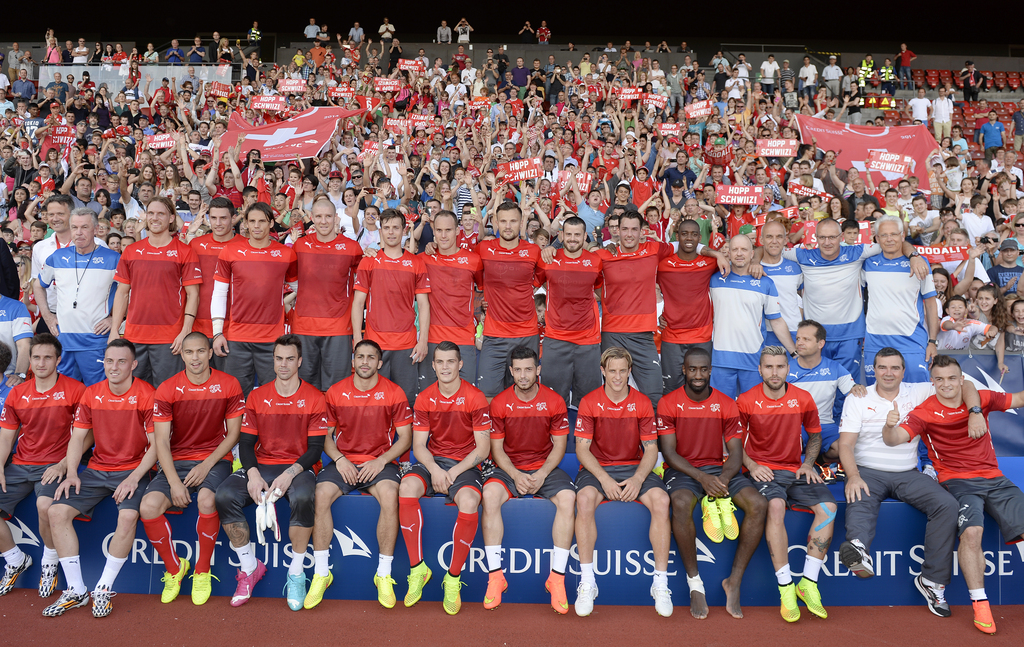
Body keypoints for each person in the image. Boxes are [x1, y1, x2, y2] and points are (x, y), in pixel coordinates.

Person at [885, 354, 1024, 635]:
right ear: (932, 381)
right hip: (957, 481)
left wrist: (975, 412)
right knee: (972, 533)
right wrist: (889, 426)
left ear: (962, 379)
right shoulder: (925, 411)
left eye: (952, 378)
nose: (946, 384)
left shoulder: (979, 399)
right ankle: (980, 603)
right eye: (939, 379)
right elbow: (894, 440)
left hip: (995, 478)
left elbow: (1018, 399)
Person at [839, 348, 982, 618]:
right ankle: (858, 548)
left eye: (895, 368)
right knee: (859, 495)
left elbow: (968, 384)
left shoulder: (919, 392)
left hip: (907, 472)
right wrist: (853, 475)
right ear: (874, 370)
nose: (888, 373)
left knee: (946, 505)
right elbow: (846, 444)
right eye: (882, 367)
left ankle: (932, 581)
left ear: (904, 371)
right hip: (868, 470)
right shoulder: (858, 397)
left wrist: (975, 411)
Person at [213, 334, 328, 610]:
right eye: (279, 358)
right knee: (225, 495)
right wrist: (252, 473)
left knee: (302, 498)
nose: (284, 364)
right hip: (262, 465)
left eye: (290, 359)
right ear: (272, 360)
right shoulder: (256, 396)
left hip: (299, 466)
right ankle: (250, 567)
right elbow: (246, 442)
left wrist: (290, 473)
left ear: (300, 361)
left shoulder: (314, 398)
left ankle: (297, 573)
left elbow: (315, 449)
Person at [44, 339, 156, 618]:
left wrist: (133, 478)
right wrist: (71, 473)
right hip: (96, 470)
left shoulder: (146, 394)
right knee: (55, 511)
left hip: (134, 470)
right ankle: (77, 590)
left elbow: (157, 446)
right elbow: (78, 438)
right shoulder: (92, 393)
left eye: (121, 361)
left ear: (134, 365)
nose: (114, 367)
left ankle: (103, 589)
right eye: (109, 361)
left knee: (129, 517)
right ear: (103, 363)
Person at [657, 347, 767, 619]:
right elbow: (669, 453)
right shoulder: (668, 403)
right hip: (684, 471)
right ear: (683, 370)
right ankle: (695, 584)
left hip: (719, 469)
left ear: (710, 370)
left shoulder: (726, 404)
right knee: (681, 503)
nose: (698, 375)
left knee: (758, 504)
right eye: (692, 369)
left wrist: (722, 479)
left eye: (703, 369)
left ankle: (735, 581)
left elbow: (736, 452)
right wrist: (703, 479)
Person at [306, 339, 412, 610]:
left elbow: (405, 438)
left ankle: (384, 574)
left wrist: (382, 460)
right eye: (360, 357)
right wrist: (339, 459)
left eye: (371, 357)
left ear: (380, 362)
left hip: (380, 462)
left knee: (390, 496)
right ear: (353, 361)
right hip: (345, 463)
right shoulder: (335, 392)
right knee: (319, 496)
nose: (365, 362)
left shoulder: (394, 392)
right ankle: (321, 573)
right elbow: (325, 436)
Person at [138, 332, 244, 605]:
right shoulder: (167, 388)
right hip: (178, 460)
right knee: (148, 507)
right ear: (181, 355)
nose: (195, 358)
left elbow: (233, 435)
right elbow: (161, 440)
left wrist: (207, 464)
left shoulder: (229, 384)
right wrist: (174, 482)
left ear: (210, 353)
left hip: (215, 459)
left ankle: (202, 570)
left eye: (200, 351)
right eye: (189, 352)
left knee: (208, 500)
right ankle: (175, 569)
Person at [573, 347, 673, 618]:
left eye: (622, 371)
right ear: (603, 371)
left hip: (633, 466)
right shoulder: (589, 402)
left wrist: (639, 479)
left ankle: (660, 583)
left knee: (662, 501)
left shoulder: (641, 403)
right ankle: (587, 582)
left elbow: (651, 449)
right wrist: (604, 479)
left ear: (630, 372)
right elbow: (582, 449)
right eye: (612, 371)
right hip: (598, 468)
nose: (617, 377)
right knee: (583, 500)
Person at [739, 346, 836, 623]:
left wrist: (808, 463)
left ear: (788, 369)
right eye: (768, 367)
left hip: (795, 470)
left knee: (829, 507)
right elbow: (732, 441)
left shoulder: (803, 398)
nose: (774, 372)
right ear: (760, 370)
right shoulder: (746, 401)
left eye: (780, 367)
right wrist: (752, 465)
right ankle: (786, 589)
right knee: (777, 507)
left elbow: (815, 436)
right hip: (764, 473)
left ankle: (808, 583)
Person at [398, 342, 490, 615]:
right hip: (432, 462)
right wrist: (436, 470)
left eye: (451, 361)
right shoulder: (425, 398)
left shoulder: (475, 397)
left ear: (460, 364)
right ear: (433, 365)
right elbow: (418, 446)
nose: (446, 367)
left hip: (463, 466)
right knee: (406, 487)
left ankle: (453, 577)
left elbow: (483, 449)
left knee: (470, 501)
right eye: (440, 362)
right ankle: (418, 569)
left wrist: (453, 472)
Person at [481, 347, 575, 613]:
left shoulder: (555, 402)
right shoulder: (499, 403)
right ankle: (495, 577)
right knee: (489, 496)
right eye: (518, 370)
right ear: (511, 371)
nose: (523, 375)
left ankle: (556, 578)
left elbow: (558, 446)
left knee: (569, 498)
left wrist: (542, 473)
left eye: (528, 369)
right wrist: (515, 475)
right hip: (509, 467)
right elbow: (497, 450)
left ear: (538, 370)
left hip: (544, 467)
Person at [778, 217, 928, 378]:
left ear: (841, 237)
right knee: (817, 386)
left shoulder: (857, 253)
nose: (827, 242)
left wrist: (914, 255)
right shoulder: (802, 255)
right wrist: (756, 260)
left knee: (847, 388)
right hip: (815, 335)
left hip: (849, 335)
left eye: (832, 237)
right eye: (822, 237)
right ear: (816, 237)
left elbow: (894, 242)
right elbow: (769, 249)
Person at [0, 335, 85, 599]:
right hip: (22, 463)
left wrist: (64, 464)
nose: (41, 363)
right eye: (36, 357)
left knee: (45, 507)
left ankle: (50, 563)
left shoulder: (76, 390)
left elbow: (87, 434)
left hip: (55, 465)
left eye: (48, 357)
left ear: (59, 360)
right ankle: (15, 559)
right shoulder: (17, 393)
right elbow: (6, 436)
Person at [109, 197, 202, 388]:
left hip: (170, 339)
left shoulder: (184, 251)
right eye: (150, 213)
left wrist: (185, 330)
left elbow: (193, 295)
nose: (154, 218)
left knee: (167, 396)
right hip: (134, 337)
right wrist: (113, 331)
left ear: (171, 218)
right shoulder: (131, 251)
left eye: (160, 213)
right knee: (135, 394)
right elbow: (122, 293)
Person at [211, 203, 298, 396]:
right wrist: (217, 333)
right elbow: (219, 292)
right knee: (236, 398)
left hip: (272, 339)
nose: (256, 226)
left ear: (271, 223)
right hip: (237, 338)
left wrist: (286, 303)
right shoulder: (229, 252)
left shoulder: (286, 254)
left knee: (272, 397)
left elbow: (297, 287)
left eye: (262, 221)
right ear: (246, 224)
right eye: (252, 221)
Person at [352, 209, 430, 407]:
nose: (391, 232)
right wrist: (358, 340)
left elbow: (423, 304)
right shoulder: (369, 261)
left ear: (404, 231)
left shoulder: (416, 263)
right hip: (375, 344)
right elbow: (358, 303)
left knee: (405, 403)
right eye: (386, 228)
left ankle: (405, 439)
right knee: (374, 403)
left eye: (396, 227)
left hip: (406, 345)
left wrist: (423, 341)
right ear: (380, 232)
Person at [34, 208, 120, 386]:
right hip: (63, 340)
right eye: (74, 227)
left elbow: (130, 292)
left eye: (84, 227)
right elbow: (38, 285)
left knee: (97, 393)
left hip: (95, 341)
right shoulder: (57, 257)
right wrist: (48, 316)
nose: (78, 233)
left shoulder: (113, 259)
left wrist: (116, 320)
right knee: (64, 395)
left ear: (96, 230)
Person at [710, 235, 795, 398]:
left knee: (753, 414)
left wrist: (794, 353)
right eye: (735, 249)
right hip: (721, 360)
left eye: (744, 249)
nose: (739, 253)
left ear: (751, 254)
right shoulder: (714, 280)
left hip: (753, 360)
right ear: (728, 253)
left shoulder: (766, 283)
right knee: (721, 413)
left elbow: (776, 321)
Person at [291, 200, 363, 391]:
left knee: (337, 390)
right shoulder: (299, 246)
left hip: (338, 328)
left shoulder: (352, 248)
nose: (324, 221)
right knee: (305, 389)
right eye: (319, 217)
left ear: (336, 218)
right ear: (312, 218)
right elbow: (290, 280)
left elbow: (363, 283)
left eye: (328, 216)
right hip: (304, 327)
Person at [863, 216, 940, 384]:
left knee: (918, 395)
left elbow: (931, 304)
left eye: (894, 234)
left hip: (911, 340)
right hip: (875, 341)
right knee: (878, 397)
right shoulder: (867, 262)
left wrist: (932, 341)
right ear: (876, 238)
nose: (889, 239)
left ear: (903, 235)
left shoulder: (920, 263)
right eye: (883, 235)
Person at [536, 215, 603, 407]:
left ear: (585, 236)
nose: (572, 239)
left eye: (577, 235)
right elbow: (528, 287)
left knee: (589, 402)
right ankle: (553, 438)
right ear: (561, 236)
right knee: (553, 401)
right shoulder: (548, 259)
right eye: (569, 234)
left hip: (588, 341)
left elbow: (600, 292)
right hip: (556, 339)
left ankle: (586, 438)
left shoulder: (595, 262)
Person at [477, 202, 541, 400]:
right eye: (503, 221)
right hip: (494, 335)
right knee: (487, 395)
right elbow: (475, 280)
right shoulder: (483, 249)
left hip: (526, 333)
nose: (507, 226)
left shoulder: (534, 251)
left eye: (513, 221)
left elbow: (543, 280)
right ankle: (494, 432)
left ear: (521, 222)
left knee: (526, 392)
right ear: (495, 222)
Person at [789, 320, 864, 478]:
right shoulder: (786, 369)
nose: (799, 343)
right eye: (798, 339)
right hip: (794, 424)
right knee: (787, 447)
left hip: (824, 425)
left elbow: (853, 392)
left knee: (844, 448)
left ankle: (819, 462)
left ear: (821, 343)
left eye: (806, 339)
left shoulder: (835, 368)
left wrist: (856, 388)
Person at [658, 219, 720, 394]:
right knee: (671, 390)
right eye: (684, 233)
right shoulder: (662, 264)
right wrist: (655, 314)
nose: (689, 238)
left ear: (700, 238)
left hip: (701, 336)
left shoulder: (710, 262)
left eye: (694, 234)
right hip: (671, 336)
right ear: (678, 236)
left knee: (699, 388)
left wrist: (720, 255)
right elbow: (643, 287)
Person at [421, 211, 482, 384]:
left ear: (457, 231)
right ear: (433, 231)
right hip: (432, 339)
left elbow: (484, 288)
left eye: (448, 230)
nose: (443, 235)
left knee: (465, 398)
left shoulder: (474, 260)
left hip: (464, 338)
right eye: (439, 230)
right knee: (431, 398)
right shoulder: (424, 259)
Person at [187, 197, 236, 359]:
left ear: (233, 218)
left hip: (233, 327)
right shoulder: (196, 245)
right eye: (213, 218)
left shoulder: (244, 245)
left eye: (223, 218)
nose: (218, 223)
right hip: (199, 325)